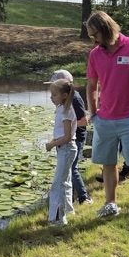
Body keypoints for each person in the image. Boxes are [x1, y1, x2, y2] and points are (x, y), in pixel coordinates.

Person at [85, 10, 129, 217]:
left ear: (105, 29)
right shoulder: (95, 54)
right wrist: (93, 112)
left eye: (94, 34)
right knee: (108, 163)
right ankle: (110, 203)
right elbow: (91, 85)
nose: (93, 39)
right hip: (104, 119)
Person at [44, 70, 92, 206]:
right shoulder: (64, 103)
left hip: (75, 139)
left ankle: (84, 198)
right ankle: (69, 201)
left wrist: (67, 128)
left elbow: (83, 120)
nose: (51, 97)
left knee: (72, 169)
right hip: (67, 139)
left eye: (55, 93)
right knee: (69, 170)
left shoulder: (74, 99)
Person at [44, 79, 78, 225]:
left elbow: (67, 136)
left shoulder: (66, 111)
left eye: (54, 94)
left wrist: (51, 144)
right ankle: (69, 210)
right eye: (51, 94)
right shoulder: (61, 107)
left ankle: (58, 218)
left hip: (66, 149)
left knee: (58, 184)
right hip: (64, 149)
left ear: (64, 95)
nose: (51, 97)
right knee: (66, 180)